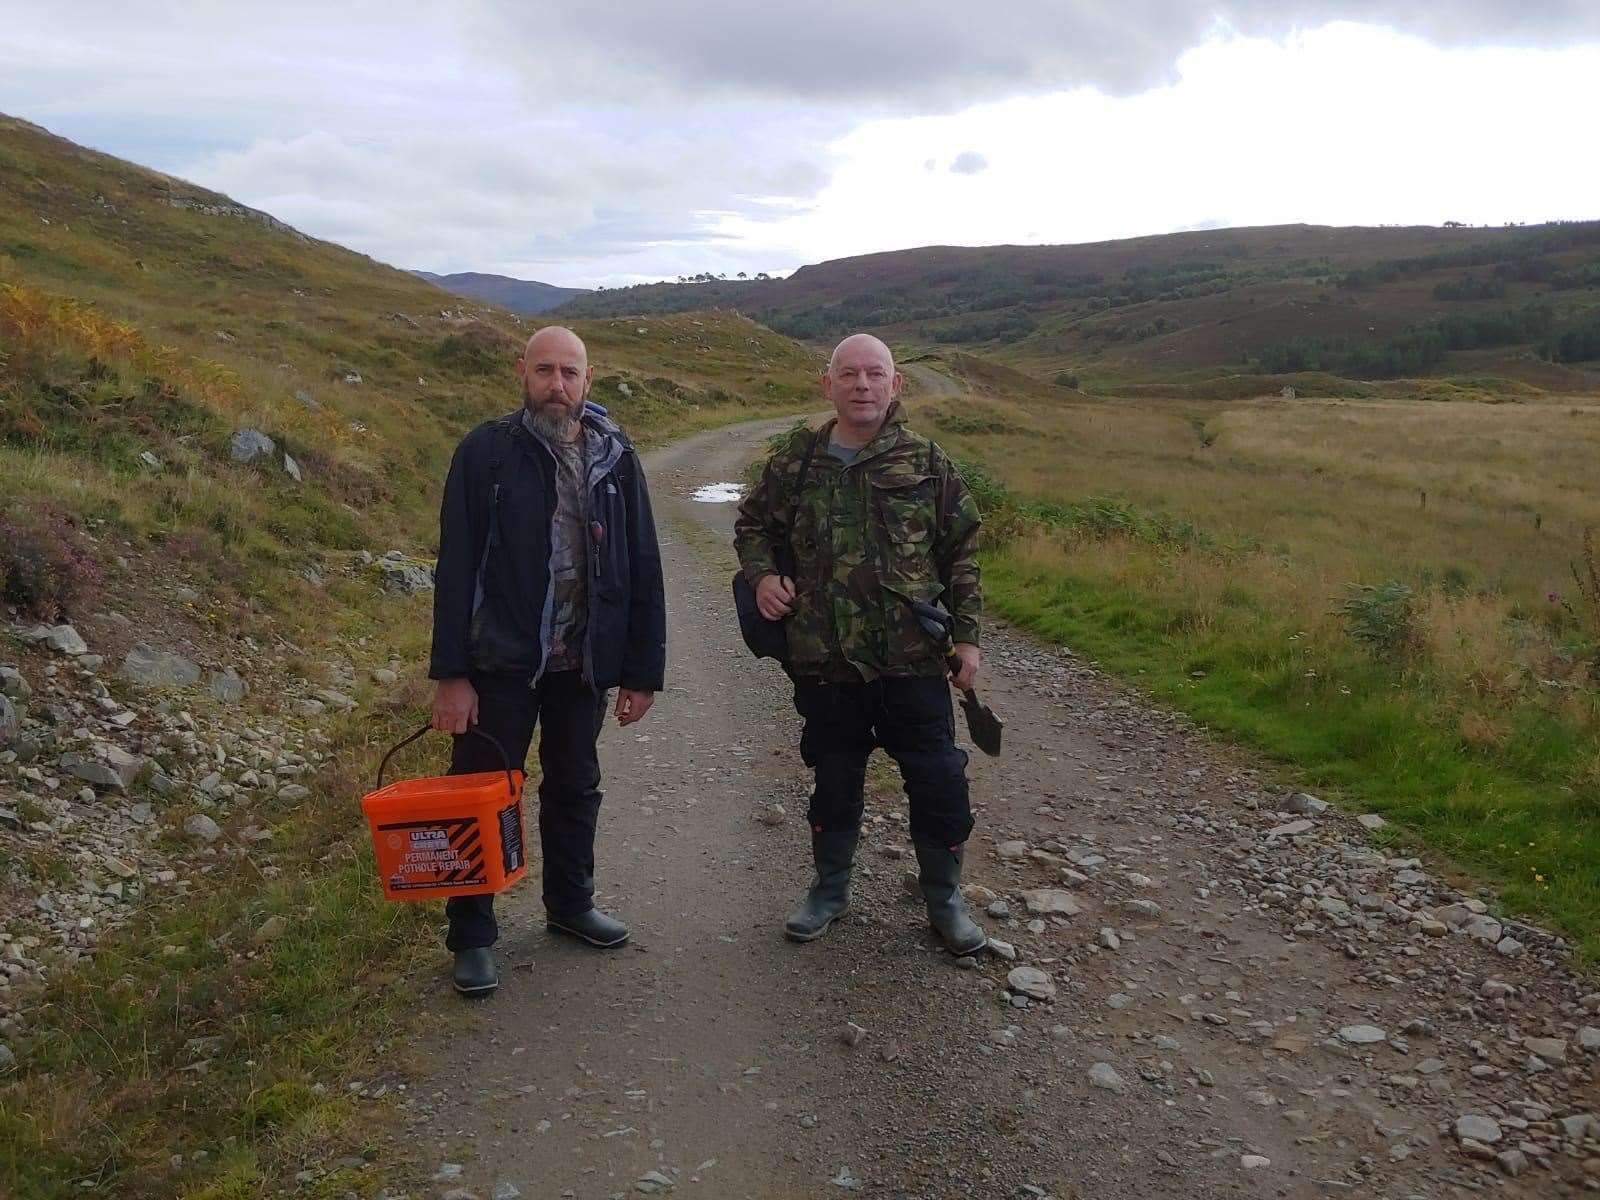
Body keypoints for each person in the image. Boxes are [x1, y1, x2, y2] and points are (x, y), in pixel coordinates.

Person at [429, 325, 665, 997]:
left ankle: (569, 906)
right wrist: (451, 674)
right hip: (498, 663)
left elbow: (642, 563)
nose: (556, 384)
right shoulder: (485, 452)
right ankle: (471, 938)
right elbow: (455, 567)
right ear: (522, 374)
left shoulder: (617, 457)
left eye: (569, 372)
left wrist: (642, 671)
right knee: (476, 796)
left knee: (574, 785)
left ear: (590, 380)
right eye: (544, 371)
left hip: (581, 664)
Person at [734, 333, 987, 955]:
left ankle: (944, 899)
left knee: (938, 781)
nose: (863, 385)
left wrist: (970, 640)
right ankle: (830, 889)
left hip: (913, 661)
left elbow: (962, 555)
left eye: (875, 374)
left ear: (895, 384)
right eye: (849, 375)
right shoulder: (796, 461)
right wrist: (764, 576)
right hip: (826, 663)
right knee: (835, 780)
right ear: (829, 386)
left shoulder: (928, 462)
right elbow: (752, 526)